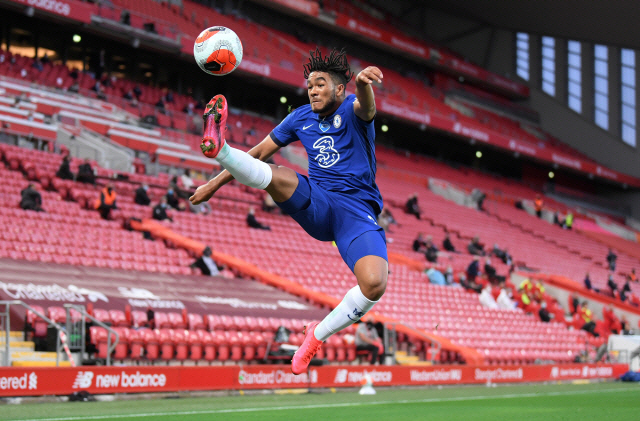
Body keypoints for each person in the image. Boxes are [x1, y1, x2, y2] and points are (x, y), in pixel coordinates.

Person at [189, 48, 387, 375]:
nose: (312, 90)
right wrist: (214, 184)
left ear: (340, 89)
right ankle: (221, 148)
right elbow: (259, 152)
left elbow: (367, 107)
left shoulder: (353, 111)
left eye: (320, 84)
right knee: (275, 173)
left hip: (355, 212)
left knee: (375, 285)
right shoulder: (299, 117)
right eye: (309, 85)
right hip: (319, 201)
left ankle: (316, 336)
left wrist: (364, 83)